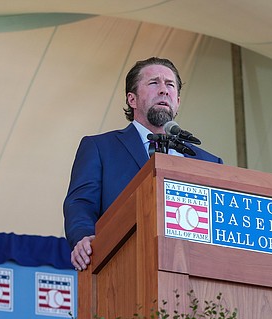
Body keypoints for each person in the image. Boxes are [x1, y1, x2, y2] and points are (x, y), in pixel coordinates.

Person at [64, 57, 223, 271]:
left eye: (170, 85)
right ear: (132, 99)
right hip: (125, 267)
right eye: (154, 83)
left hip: (197, 269)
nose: (164, 90)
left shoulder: (209, 162)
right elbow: (80, 204)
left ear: (177, 101)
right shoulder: (100, 147)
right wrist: (83, 237)